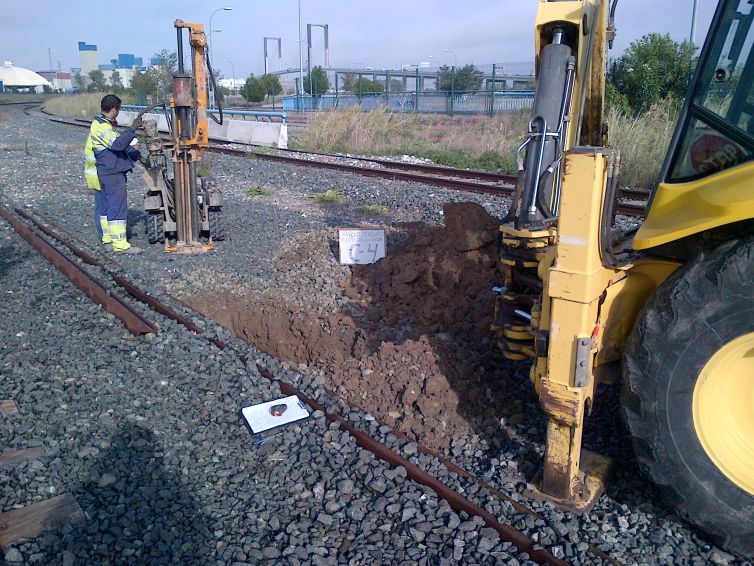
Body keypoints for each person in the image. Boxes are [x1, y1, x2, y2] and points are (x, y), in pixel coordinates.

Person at [84, 94, 144, 254]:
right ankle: (120, 245)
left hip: (105, 171)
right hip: (112, 172)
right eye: (118, 109)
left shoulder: (103, 124)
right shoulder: (102, 126)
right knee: (117, 207)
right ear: (113, 109)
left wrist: (132, 151)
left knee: (106, 207)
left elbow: (115, 145)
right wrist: (132, 129)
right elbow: (117, 145)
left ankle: (108, 240)